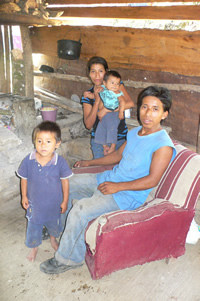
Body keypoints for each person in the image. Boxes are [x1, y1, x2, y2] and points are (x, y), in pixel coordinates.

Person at [40, 86, 176, 274]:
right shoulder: (136, 132)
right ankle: (60, 228)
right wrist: (89, 162)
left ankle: (69, 259)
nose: (148, 114)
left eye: (155, 109)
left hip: (126, 196)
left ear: (164, 114)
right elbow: (118, 155)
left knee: (81, 210)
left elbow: (153, 180)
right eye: (145, 107)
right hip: (107, 179)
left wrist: (117, 187)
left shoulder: (163, 145)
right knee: (65, 184)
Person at [17, 121, 73, 262]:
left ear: (57, 144)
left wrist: (65, 201)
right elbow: (23, 179)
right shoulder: (28, 161)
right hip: (34, 203)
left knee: (54, 223)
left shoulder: (60, 162)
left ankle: (53, 240)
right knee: (34, 226)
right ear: (34, 141)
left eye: (48, 141)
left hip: (54, 203)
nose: (43, 145)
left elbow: (65, 181)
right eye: (39, 141)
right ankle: (34, 247)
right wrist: (24, 196)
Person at [81, 56, 134, 159]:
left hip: (120, 138)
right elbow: (88, 125)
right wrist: (96, 101)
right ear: (89, 74)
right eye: (93, 71)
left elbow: (129, 103)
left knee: (120, 172)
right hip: (100, 141)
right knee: (101, 171)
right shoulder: (88, 95)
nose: (97, 75)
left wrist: (106, 109)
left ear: (106, 72)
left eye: (100, 71)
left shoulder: (115, 85)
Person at [94, 70, 126, 156]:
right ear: (105, 83)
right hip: (104, 116)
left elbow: (123, 102)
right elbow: (96, 96)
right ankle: (105, 146)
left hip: (114, 114)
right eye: (112, 83)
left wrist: (121, 112)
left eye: (117, 84)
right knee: (101, 129)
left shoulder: (117, 93)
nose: (115, 86)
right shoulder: (104, 90)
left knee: (112, 129)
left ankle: (113, 146)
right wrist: (88, 94)